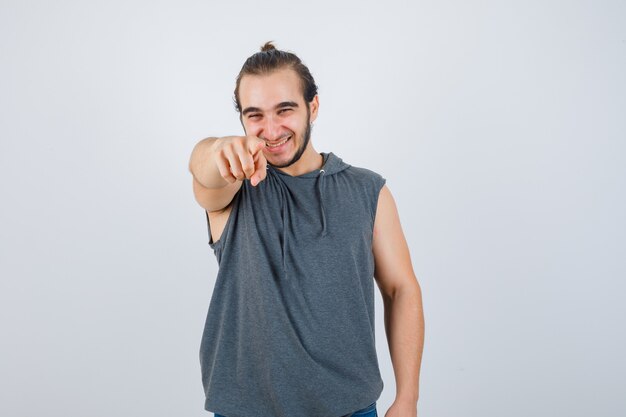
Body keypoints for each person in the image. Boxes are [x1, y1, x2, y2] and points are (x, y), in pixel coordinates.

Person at [188, 42, 425, 417]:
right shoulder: (235, 185)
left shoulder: (368, 191)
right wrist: (218, 147)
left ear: (312, 107)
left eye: (285, 110)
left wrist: (407, 398)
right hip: (245, 410)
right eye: (255, 116)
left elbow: (401, 289)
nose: (271, 129)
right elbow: (203, 170)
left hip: (351, 407)